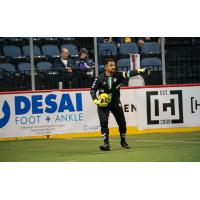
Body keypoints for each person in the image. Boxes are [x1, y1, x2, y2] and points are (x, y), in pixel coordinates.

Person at [90, 58, 150, 151]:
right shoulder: (99, 78)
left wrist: (140, 71)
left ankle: (123, 141)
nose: (113, 67)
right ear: (106, 67)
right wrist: (95, 100)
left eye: (114, 65)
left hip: (115, 102)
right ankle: (106, 144)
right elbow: (92, 90)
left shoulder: (118, 75)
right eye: (111, 65)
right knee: (104, 122)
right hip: (103, 104)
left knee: (122, 123)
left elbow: (129, 73)